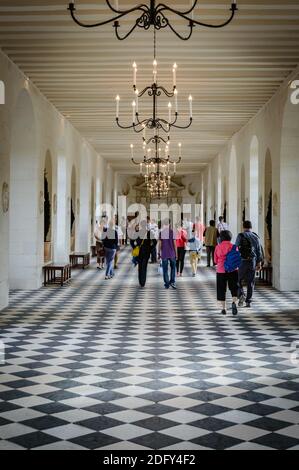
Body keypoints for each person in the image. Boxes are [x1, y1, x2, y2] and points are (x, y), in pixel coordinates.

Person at [235, 220, 263, 308]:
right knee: (251, 282)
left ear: (243, 227)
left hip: (242, 261)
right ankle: (248, 302)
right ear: (251, 227)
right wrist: (259, 263)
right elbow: (259, 252)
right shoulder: (256, 237)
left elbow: (236, 249)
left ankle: (241, 294)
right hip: (252, 261)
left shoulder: (240, 236)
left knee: (237, 279)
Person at [214, 230, 238, 316]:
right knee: (234, 287)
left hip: (221, 270)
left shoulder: (218, 247)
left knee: (221, 289)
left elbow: (215, 260)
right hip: (233, 270)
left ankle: (224, 308)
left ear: (221, 238)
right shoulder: (234, 246)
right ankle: (234, 302)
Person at [158, 219, 177, 289]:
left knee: (165, 269)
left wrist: (158, 253)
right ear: (169, 224)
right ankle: (172, 282)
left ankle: (166, 283)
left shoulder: (161, 233)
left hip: (164, 253)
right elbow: (175, 244)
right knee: (173, 268)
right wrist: (176, 254)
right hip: (172, 253)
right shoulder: (172, 232)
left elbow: (160, 244)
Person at [137, 220, 154, 287]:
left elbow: (132, 241)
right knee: (144, 267)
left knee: (140, 267)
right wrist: (151, 249)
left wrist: (135, 247)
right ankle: (143, 282)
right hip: (146, 252)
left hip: (139, 252)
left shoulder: (138, 232)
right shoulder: (149, 233)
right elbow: (155, 242)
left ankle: (140, 281)